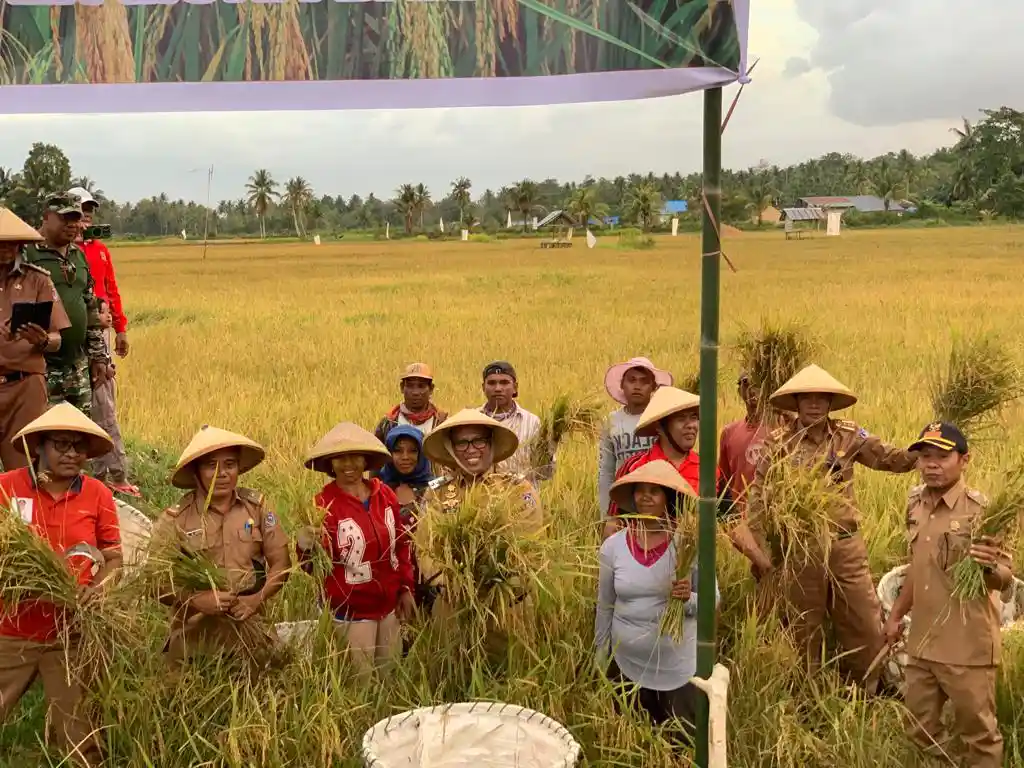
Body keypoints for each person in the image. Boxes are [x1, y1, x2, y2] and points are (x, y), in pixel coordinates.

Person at [746, 364, 917, 690]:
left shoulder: (850, 435)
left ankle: (867, 689)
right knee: (801, 627)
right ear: (796, 402)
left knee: (864, 622)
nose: (814, 404)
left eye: (821, 398)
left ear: (830, 403)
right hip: (801, 549)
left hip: (845, 546)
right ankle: (805, 696)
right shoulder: (780, 442)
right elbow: (758, 496)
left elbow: (888, 458)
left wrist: (923, 451)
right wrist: (760, 552)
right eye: (807, 398)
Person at [882, 422, 1010, 768]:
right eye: (925, 456)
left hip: (966, 647)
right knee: (919, 730)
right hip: (922, 644)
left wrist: (988, 568)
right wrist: (895, 615)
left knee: (979, 736)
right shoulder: (915, 502)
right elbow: (917, 566)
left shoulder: (982, 512)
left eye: (942, 456)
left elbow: (1006, 578)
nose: (931, 464)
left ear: (964, 460)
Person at [0, 403, 122, 764]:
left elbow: (113, 557)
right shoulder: (7, 487)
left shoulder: (97, 494)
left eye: (79, 447)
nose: (72, 454)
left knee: (80, 740)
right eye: (61, 444)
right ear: (39, 445)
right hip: (11, 628)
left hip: (71, 634)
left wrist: (97, 588)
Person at [595, 460, 718, 744]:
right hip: (625, 669)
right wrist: (600, 659)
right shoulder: (613, 547)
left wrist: (689, 598)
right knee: (630, 746)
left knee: (679, 749)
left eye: (655, 491)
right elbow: (604, 607)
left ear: (669, 498)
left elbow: (714, 601)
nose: (646, 496)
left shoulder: (688, 544)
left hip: (677, 672)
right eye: (640, 490)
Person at [154, 426, 290, 665]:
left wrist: (257, 598)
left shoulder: (256, 508)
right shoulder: (177, 518)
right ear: (196, 472)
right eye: (211, 466)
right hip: (193, 639)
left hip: (251, 633)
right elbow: (154, 582)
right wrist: (195, 600)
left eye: (229, 464)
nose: (222, 473)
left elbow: (282, 563)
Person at [297, 422, 416, 675]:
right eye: (340, 457)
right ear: (330, 462)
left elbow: (401, 545)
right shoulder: (322, 505)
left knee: (392, 677)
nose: (348, 464)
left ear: (367, 460)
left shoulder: (385, 495)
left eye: (355, 456)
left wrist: (405, 587)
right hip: (351, 612)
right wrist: (305, 546)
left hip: (389, 607)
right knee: (361, 686)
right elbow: (313, 567)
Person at [417, 409, 543, 612]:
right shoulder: (438, 492)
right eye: (461, 443)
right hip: (452, 601)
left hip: (507, 603)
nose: (471, 449)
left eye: (479, 441)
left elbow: (532, 545)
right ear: (451, 448)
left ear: (491, 443)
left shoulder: (518, 488)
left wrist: (497, 584)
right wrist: (448, 581)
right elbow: (425, 547)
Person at [0, 207, 70, 471]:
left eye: (11, 244)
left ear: (20, 245)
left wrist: (41, 341)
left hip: (25, 388)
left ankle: (23, 513)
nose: (5, 251)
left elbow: (57, 339)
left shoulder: (38, 280)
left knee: (24, 469)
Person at [24, 195, 105, 414]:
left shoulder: (78, 256)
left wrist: (98, 356)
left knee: (79, 436)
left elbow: (90, 307)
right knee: (40, 436)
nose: (72, 225)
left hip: (77, 366)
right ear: (46, 217)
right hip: (40, 367)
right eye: (65, 218)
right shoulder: (25, 253)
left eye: (76, 218)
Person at [717, 371, 787, 570]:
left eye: (758, 384)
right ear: (738, 390)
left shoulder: (784, 427)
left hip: (777, 522)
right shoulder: (729, 433)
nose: (752, 390)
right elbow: (724, 482)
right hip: (742, 526)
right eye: (745, 384)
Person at [598, 356, 672, 516]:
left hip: (658, 500)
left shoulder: (663, 419)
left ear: (653, 387)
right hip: (623, 500)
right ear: (622, 385)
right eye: (632, 380)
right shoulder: (611, 421)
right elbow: (606, 470)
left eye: (644, 381)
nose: (637, 386)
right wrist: (605, 513)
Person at [69, 186, 129, 358]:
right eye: (81, 214)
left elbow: (112, 290)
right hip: (73, 330)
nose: (85, 219)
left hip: (101, 327)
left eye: (88, 214)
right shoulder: (60, 251)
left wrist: (120, 329)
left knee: (103, 378)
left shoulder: (101, 250)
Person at [88, 298, 137, 495]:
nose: (108, 316)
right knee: (107, 424)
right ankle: (119, 476)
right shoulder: (92, 336)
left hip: (103, 383)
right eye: (102, 312)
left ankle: (100, 477)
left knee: (101, 425)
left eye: (109, 312)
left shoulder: (103, 334)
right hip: (97, 385)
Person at [478, 361, 549, 481]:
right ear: (483, 388)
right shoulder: (472, 420)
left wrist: (549, 448)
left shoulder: (532, 422)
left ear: (515, 388)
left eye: (504, 383)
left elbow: (546, 472)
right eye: (491, 383)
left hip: (522, 496)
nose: (498, 388)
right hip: (480, 496)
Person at [374, 363, 448, 443]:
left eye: (421, 386)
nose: (415, 392)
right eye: (410, 386)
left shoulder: (442, 422)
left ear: (431, 389)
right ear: (402, 387)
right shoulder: (389, 423)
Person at [378, 424, 436, 524]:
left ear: (421, 454)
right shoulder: (378, 491)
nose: (405, 457)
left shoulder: (436, 489)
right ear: (389, 453)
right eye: (398, 451)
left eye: (413, 451)